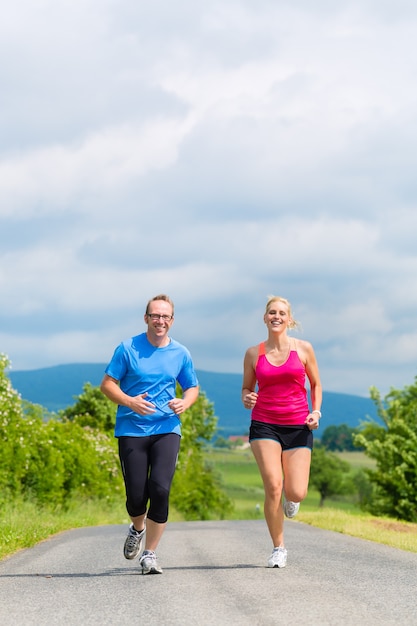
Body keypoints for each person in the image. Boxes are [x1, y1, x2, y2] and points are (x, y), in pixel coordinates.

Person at [100, 294, 199, 575]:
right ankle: (137, 527)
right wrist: (130, 401)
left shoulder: (181, 353)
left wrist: (185, 402)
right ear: (146, 318)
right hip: (132, 429)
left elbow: (192, 387)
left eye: (165, 316)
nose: (160, 321)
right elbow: (107, 385)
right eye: (155, 315)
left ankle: (150, 554)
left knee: (160, 488)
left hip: (167, 428)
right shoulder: (127, 348)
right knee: (135, 496)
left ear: (172, 320)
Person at [242, 295, 322, 569]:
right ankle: (279, 547)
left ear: (289, 319)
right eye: (272, 312)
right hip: (264, 424)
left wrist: (316, 411)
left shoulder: (303, 349)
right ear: (265, 318)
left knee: (296, 492)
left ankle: (293, 498)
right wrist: (247, 398)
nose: (276, 316)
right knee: (274, 486)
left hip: (298, 425)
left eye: (281, 313)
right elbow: (246, 389)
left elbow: (316, 385)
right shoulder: (254, 353)